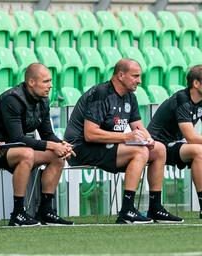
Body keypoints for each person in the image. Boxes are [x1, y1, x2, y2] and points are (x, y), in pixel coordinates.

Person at [64, 58, 183, 224]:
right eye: (135, 76)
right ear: (120, 75)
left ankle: (155, 208)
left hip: (107, 147)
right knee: (139, 151)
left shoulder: (130, 97)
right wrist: (127, 137)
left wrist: (148, 139)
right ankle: (127, 210)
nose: (139, 81)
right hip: (80, 148)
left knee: (159, 149)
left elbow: (138, 126)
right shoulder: (101, 93)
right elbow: (90, 134)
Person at [0, 63, 74, 226]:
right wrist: (51, 145)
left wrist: (63, 145)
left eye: (50, 81)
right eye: (46, 81)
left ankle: (46, 211)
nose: (50, 85)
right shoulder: (12, 99)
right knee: (26, 152)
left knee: (58, 156)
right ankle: (18, 214)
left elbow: (47, 134)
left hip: (12, 150)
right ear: (31, 82)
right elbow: (18, 138)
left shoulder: (43, 100)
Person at [148, 64, 202, 219]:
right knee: (199, 151)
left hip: (174, 144)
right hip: (157, 145)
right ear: (196, 84)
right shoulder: (182, 99)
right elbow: (191, 137)